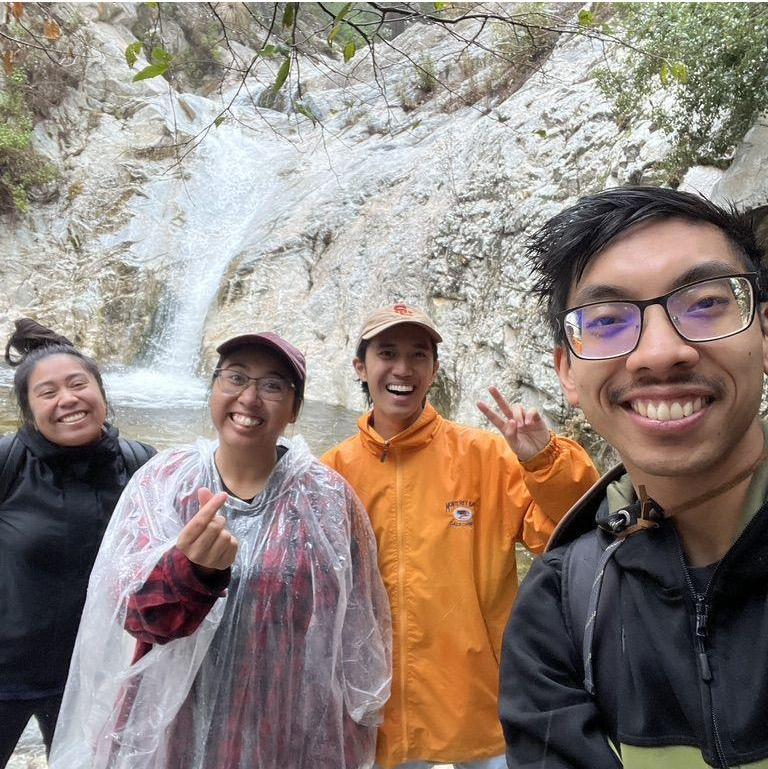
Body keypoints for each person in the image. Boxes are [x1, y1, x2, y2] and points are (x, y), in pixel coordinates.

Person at [500, 186, 768, 769]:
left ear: (765, 334)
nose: (658, 353)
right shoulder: (557, 611)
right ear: (567, 372)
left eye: (703, 303)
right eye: (607, 320)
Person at [49, 331, 391, 769]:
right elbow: (132, 614)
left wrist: (354, 724)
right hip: (177, 714)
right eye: (235, 378)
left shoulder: (327, 498)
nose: (249, 398)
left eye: (272, 385)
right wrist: (190, 572)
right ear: (213, 389)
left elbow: (356, 628)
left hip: (285, 721)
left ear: (295, 408)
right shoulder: (166, 482)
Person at [322, 305, 598, 769]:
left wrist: (545, 462)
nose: (402, 369)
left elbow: (567, 534)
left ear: (433, 371)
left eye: (418, 355)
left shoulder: (487, 456)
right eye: (387, 353)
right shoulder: (333, 472)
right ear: (360, 366)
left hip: (479, 697)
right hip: (377, 705)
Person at [0, 318, 155, 768]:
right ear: (30, 411)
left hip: (94, 675)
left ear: (101, 394)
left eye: (77, 384)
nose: (67, 400)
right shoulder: (8, 462)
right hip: (7, 669)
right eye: (47, 393)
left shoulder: (141, 464)